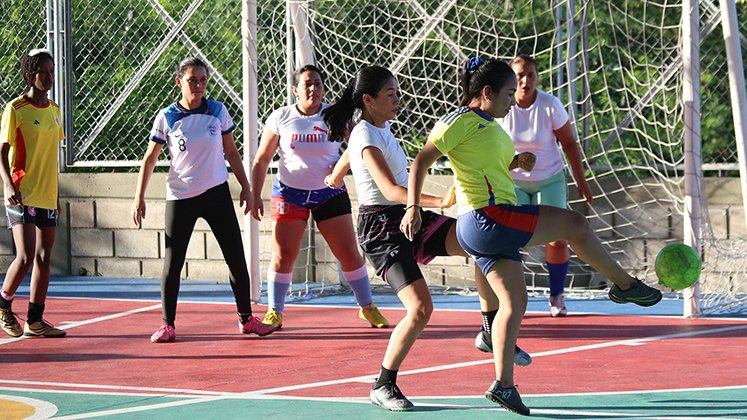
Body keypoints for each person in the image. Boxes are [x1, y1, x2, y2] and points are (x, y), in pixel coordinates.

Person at [402, 56, 662, 416]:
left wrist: (515, 161)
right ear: (487, 92)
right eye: (508, 94)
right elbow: (421, 160)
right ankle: (624, 284)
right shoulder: (459, 121)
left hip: (488, 227)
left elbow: (482, 163)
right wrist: (412, 207)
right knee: (575, 225)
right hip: (488, 218)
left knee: (514, 304)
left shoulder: (486, 124)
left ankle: (503, 386)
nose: (513, 100)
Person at [322, 65, 529, 412]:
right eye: (391, 95)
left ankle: (489, 330)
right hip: (382, 230)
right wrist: (435, 201)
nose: (398, 100)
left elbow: (349, 153)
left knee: (478, 242)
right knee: (420, 309)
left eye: (398, 93)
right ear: (369, 100)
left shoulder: (374, 128)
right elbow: (388, 189)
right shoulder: (366, 137)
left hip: (406, 216)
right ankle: (383, 383)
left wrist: (335, 175)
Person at [132, 57, 275, 343]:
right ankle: (167, 324)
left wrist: (247, 188)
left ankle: (246, 319)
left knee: (235, 255)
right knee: (173, 261)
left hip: (216, 193)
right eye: (192, 80)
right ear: (179, 82)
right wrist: (139, 198)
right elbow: (150, 159)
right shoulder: (167, 116)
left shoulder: (218, 111)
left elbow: (232, 153)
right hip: (181, 196)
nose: (198, 85)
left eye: (202, 80)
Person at [250, 64, 388, 330]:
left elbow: (357, 145)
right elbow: (262, 159)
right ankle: (274, 311)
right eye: (307, 84)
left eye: (318, 83)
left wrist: (340, 170)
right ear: (295, 90)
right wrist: (255, 194)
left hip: (329, 193)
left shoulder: (335, 116)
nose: (313, 88)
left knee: (348, 251)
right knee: (283, 254)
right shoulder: (281, 117)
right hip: (289, 194)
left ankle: (367, 307)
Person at [499, 54, 593, 317]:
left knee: (557, 240)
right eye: (519, 75)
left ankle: (557, 296)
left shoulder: (550, 105)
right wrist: (515, 162)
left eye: (530, 74)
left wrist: (581, 182)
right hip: (513, 181)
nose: (525, 80)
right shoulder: (502, 109)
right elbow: (492, 153)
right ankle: (509, 298)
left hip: (549, 178)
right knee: (507, 240)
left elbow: (570, 144)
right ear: (510, 79)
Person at [0, 49, 66, 338]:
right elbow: (1, 153)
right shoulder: (15, 109)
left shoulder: (54, 110)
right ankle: (3, 306)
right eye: (43, 71)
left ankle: (35, 320)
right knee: (25, 255)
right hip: (21, 193)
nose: (49, 76)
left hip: (47, 195)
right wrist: (9, 185)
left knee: (43, 256)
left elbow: (50, 157)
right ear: (30, 74)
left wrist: (57, 196)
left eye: (52, 71)